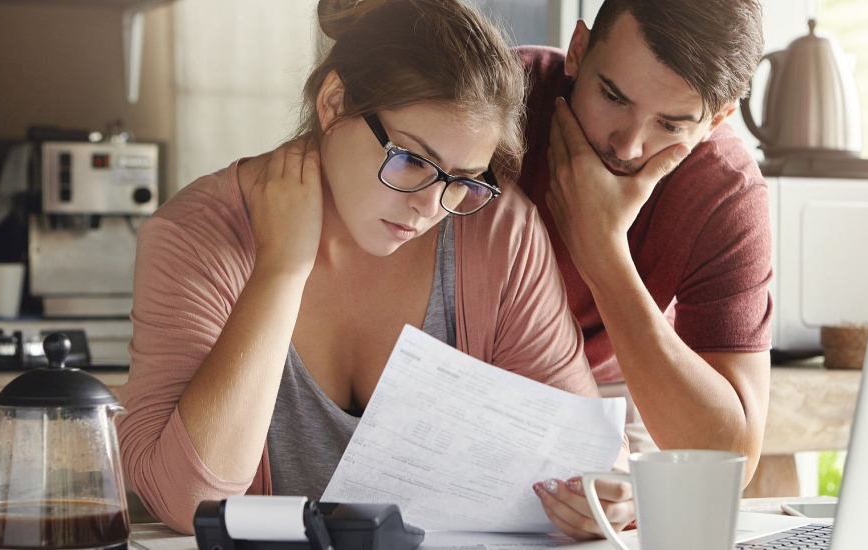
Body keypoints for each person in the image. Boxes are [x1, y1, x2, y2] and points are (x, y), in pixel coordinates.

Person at [116, 0, 631, 537]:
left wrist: (606, 496)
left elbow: (583, 457)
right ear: (335, 103)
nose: (431, 207)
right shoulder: (197, 236)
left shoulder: (498, 232)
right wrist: (281, 270)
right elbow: (186, 502)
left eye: (463, 180)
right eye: (411, 160)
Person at [521, 0, 773, 529]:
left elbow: (729, 460)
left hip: (619, 390)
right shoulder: (499, 99)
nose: (628, 145)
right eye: (612, 96)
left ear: (718, 119)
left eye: (671, 124)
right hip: (461, 366)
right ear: (578, 50)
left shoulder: (725, 191)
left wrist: (603, 252)